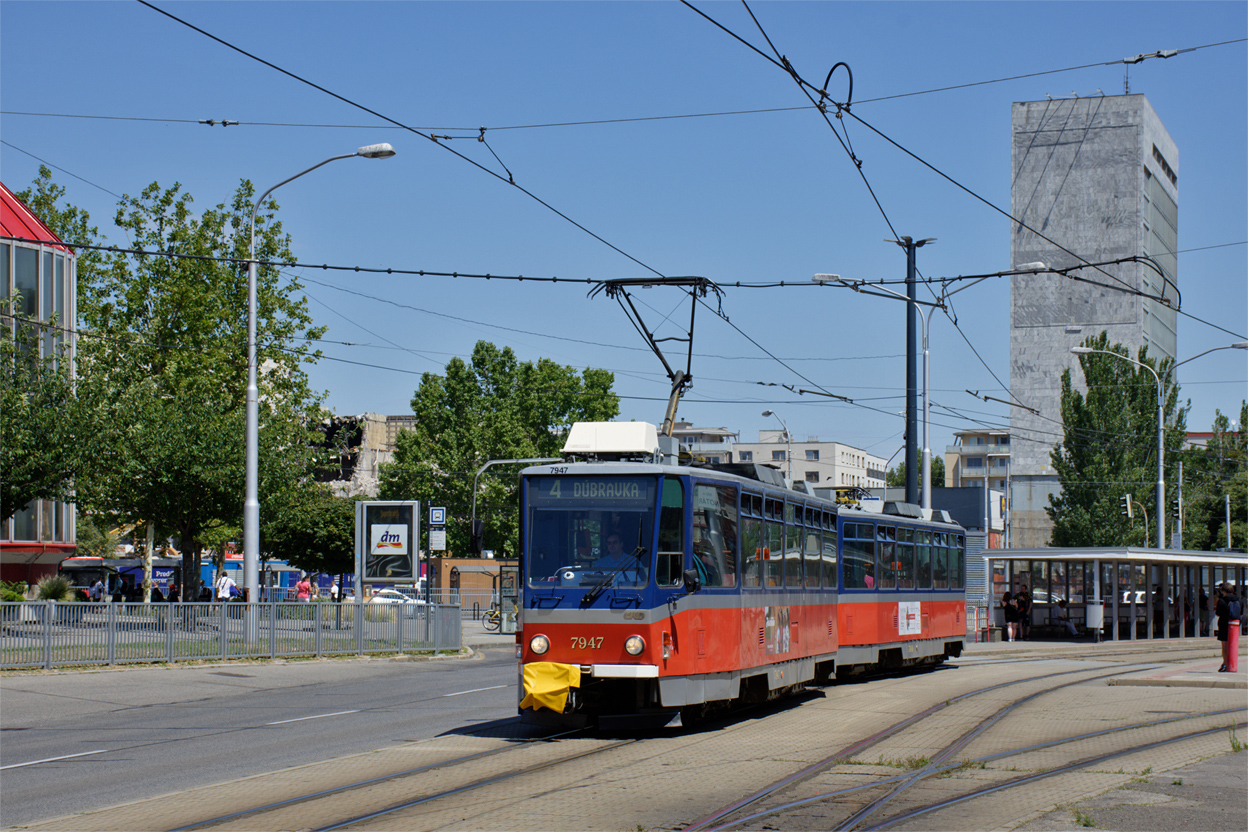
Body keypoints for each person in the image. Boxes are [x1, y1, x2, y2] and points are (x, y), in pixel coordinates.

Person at [1215, 581, 1241, 673]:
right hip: (1234, 625)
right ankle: (1232, 663)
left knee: (1225, 646)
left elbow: (1218, 613)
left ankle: (1225, 663)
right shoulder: (1237, 599)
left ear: (1224, 590)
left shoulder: (1222, 600)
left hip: (1224, 624)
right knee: (1233, 644)